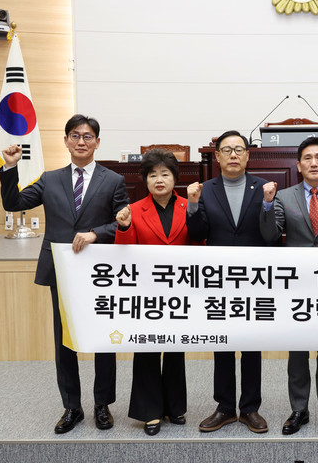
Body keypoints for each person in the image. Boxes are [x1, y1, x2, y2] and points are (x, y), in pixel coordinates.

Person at [0, 114, 128, 434]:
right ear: (66, 141)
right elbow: (14, 202)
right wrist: (10, 167)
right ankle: (72, 406)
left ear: (97, 142)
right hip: (62, 270)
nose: (81, 141)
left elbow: (124, 224)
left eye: (87, 136)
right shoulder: (50, 179)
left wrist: (97, 233)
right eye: (75, 136)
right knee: (64, 341)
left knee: (103, 338)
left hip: (100, 272)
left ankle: (102, 404)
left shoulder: (113, 180)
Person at [260, 137, 318, 436]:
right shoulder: (283, 197)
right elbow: (270, 236)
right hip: (297, 288)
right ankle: (298, 410)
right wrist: (266, 204)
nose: (314, 163)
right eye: (307, 158)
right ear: (298, 165)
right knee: (297, 352)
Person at [186, 130, 272, 434]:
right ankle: (224, 407)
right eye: (227, 150)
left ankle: (250, 408)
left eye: (239, 149)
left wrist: (268, 204)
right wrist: (192, 205)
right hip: (219, 279)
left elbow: (271, 235)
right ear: (217, 156)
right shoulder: (205, 190)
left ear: (248, 155)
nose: (233, 155)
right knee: (221, 343)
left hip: (254, 278)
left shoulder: (263, 188)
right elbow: (197, 233)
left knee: (251, 345)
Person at [114, 149, 195, 435]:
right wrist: (124, 227)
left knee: (175, 349)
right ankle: (149, 412)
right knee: (147, 350)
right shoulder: (133, 210)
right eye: (152, 175)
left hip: (181, 290)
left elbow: (199, 247)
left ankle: (174, 407)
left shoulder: (189, 206)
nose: (159, 180)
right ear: (145, 180)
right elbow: (123, 254)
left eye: (165, 174)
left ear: (175, 178)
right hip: (146, 293)